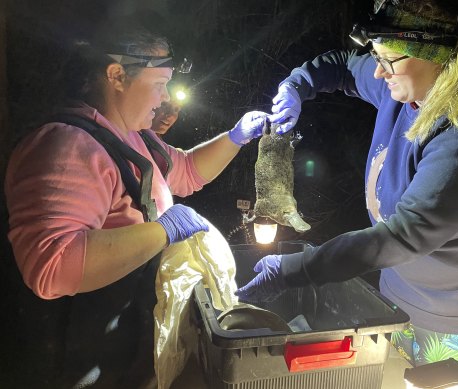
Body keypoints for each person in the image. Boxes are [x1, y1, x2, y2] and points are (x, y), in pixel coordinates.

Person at [235, 1, 458, 388]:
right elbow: (344, 64)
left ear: (439, 58)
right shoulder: (405, 83)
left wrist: (297, 269)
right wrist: (295, 88)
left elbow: (405, 234)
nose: (379, 71)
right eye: (376, 56)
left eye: (389, 60)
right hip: (403, 299)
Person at [4, 18, 268, 389]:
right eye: (159, 85)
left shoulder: (134, 138)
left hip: (127, 352)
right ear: (116, 75)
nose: (164, 98)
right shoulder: (66, 147)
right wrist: (164, 230)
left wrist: (237, 136)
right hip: (84, 365)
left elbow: (187, 171)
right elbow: (51, 267)